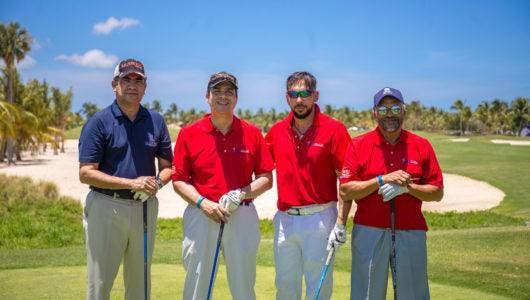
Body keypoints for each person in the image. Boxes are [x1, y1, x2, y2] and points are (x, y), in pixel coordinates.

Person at [171, 71, 274, 300]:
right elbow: (178, 180)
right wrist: (203, 202)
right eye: (217, 91)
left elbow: (266, 177)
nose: (223, 96)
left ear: (236, 97)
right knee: (197, 284)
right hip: (202, 214)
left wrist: (241, 194)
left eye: (229, 91)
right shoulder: (189, 134)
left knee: (244, 286)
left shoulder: (252, 133)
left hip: (242, 215)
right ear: (207, 96)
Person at [79, 58, 173, 300]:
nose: (133, 85)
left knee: (140, 284)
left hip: (145, 207)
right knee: (100, 283)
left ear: (145, 85)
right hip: (106, 206)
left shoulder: (156, 120)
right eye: (126, 79)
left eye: (138, 80)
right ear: (114, 84)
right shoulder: (98, 122)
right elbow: (86, 172)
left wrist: (156, 184)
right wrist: (132, 183)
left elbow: (167, 167)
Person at [339, 87, 444, 300]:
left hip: (410, 230)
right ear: (374, 112)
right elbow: (346, 189)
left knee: (412, 295)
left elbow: (437, 192)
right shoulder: (359, 145)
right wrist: (381, 180)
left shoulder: (421, 145)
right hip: (369, 230)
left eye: (395, 108)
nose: (390, 114)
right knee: (366, 294)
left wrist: (408, 188)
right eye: (384, 109)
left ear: (404, 111)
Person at [265, 71, 351, 299]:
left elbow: (346, 180)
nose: (299, 100)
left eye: (305, 93)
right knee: (284, 286)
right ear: (287, 98)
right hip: (285, 219)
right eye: (294, 94)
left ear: (316, 95)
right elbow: (259, 168)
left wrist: (341, 223)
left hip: (321, 218)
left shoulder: (334, 130)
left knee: (319, 289)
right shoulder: (276, 131)